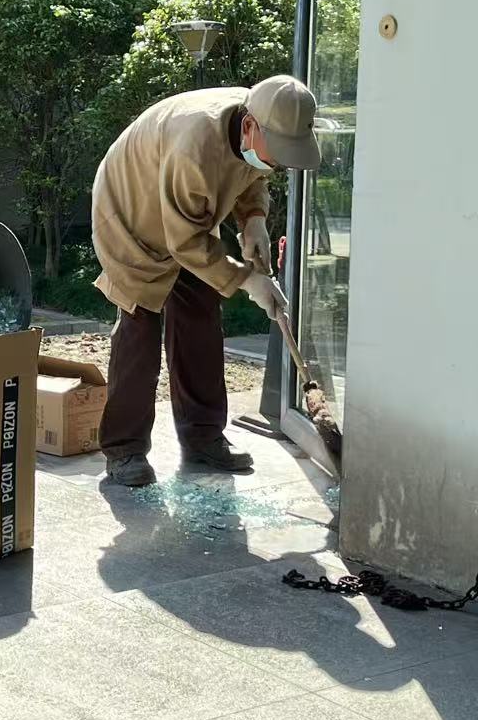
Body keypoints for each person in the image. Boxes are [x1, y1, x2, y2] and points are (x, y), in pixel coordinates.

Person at [91, 74, 320, 488]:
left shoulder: (261, 119)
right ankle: (123, 449)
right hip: (129, 212)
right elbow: (185, 243)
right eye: (277, 154)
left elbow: (253, 174)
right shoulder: (194, 149)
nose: (278, 163)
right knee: (140, 326)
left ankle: (203, 437)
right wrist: (247, 280)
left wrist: (254, 220)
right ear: (249, 127)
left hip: (184, 216)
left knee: (200, 314)